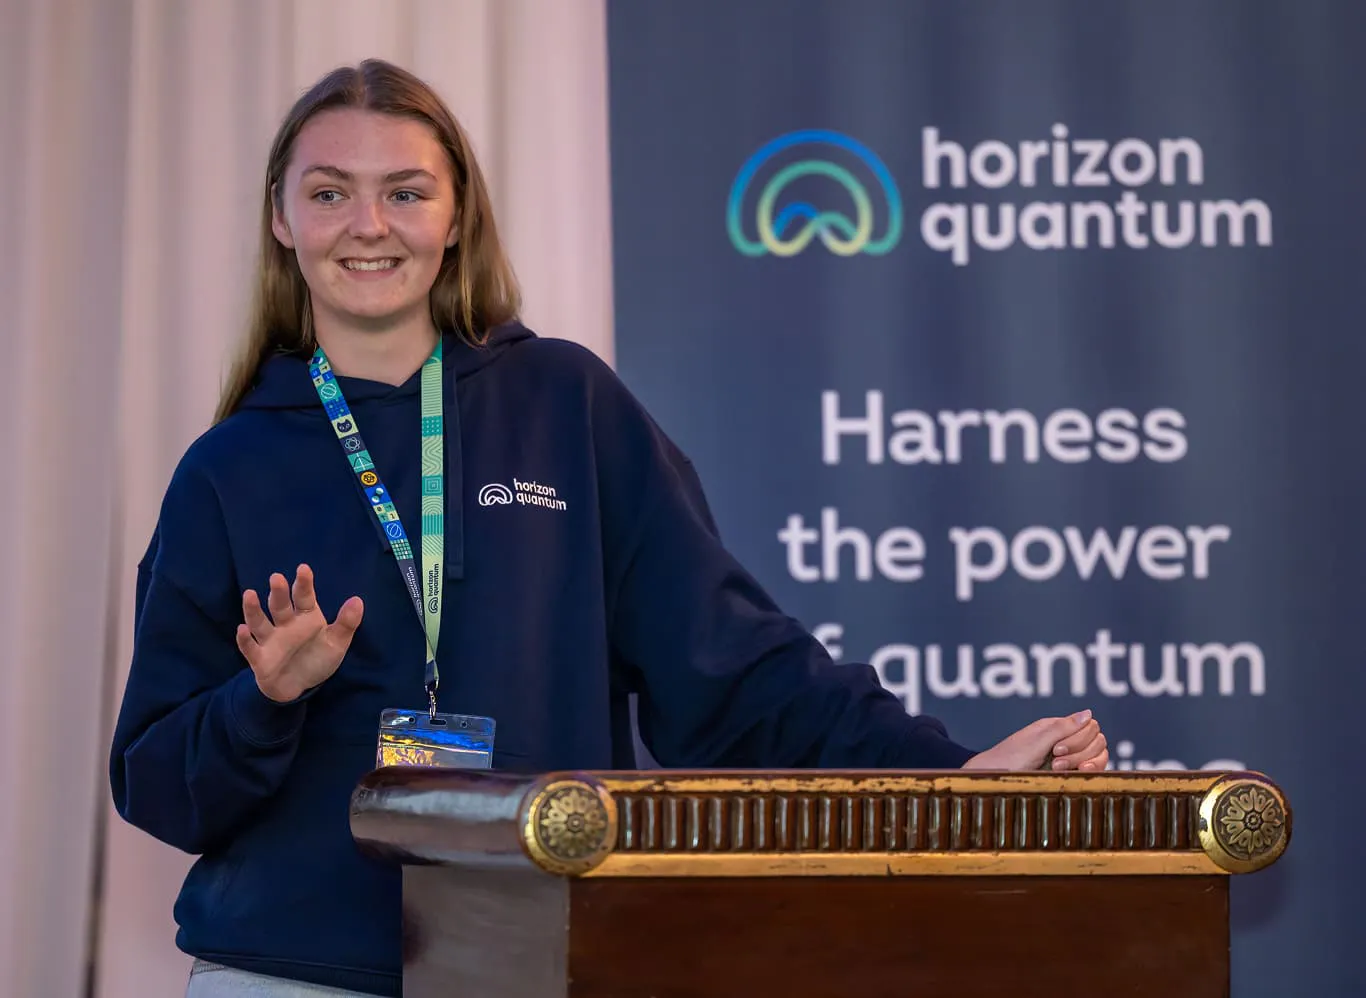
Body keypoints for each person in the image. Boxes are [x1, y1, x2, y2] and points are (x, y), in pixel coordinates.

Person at [108, 58, 1109, 998]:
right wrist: (263, 698)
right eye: (328, 191)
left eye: (406, 191)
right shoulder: (226, 468)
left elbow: (738, 671)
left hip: (537, 959)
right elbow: (156, 785)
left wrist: (948, 775)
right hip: (291, 972)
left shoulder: (565, 404)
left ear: (456, 216)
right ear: (281, 219)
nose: (368, 223)